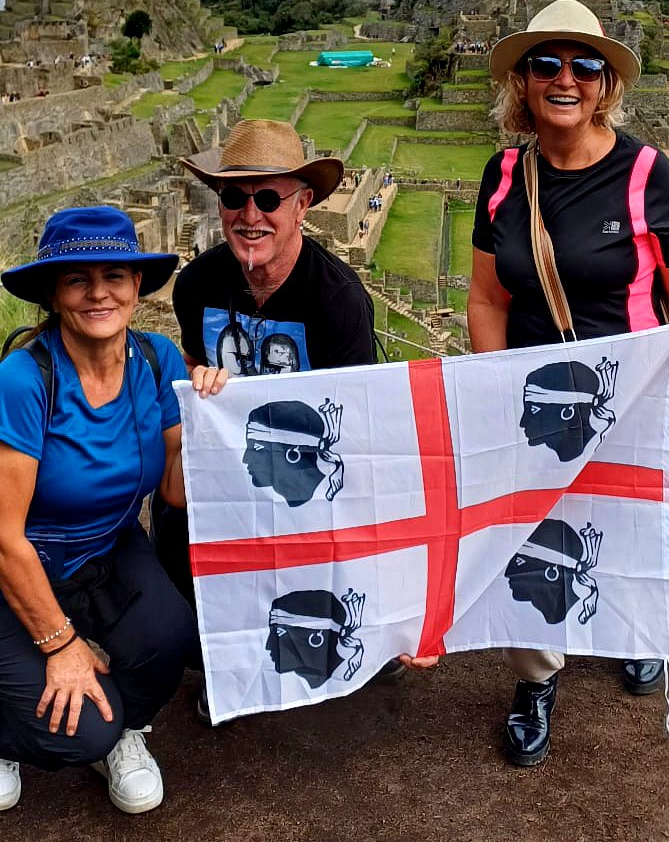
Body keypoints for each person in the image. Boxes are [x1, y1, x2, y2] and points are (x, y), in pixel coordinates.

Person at [466, 0, 669, 766]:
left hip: (633, 395)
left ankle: (633, 628)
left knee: (635, 522)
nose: (563, 78)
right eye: (546, 64)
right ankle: (536, 678)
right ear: (523, 82)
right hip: (539, 398)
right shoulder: (505, 174)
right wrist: (491, 383)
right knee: (530, 534)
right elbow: (485, 296)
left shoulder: (644, 174)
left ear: (606, 84)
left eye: (583, 65)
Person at [163, 119, 403, 704]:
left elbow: (355, 419)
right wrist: (202, 384)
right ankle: (221, 655)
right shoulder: (195, 285)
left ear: (303, 206)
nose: (250, 215)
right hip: (235, 464)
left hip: (306, 463)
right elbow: (195, 365)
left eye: (269, 198)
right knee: (173, 523)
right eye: (234, 197)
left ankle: (358, 631)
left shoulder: (339, 301)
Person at [0, 207, 198, 814]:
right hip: (18, 564)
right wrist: (61, 647)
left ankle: (124, 734)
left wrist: (204, 416)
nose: (98, 292)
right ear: (54, 295)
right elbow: (4, 535)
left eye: (115, 274)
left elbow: (173, 491)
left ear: (137, 286)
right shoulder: (24, 378)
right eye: (76, 279)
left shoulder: (157, 359)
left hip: (105, 547)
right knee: (74, 734)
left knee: (169, 637)